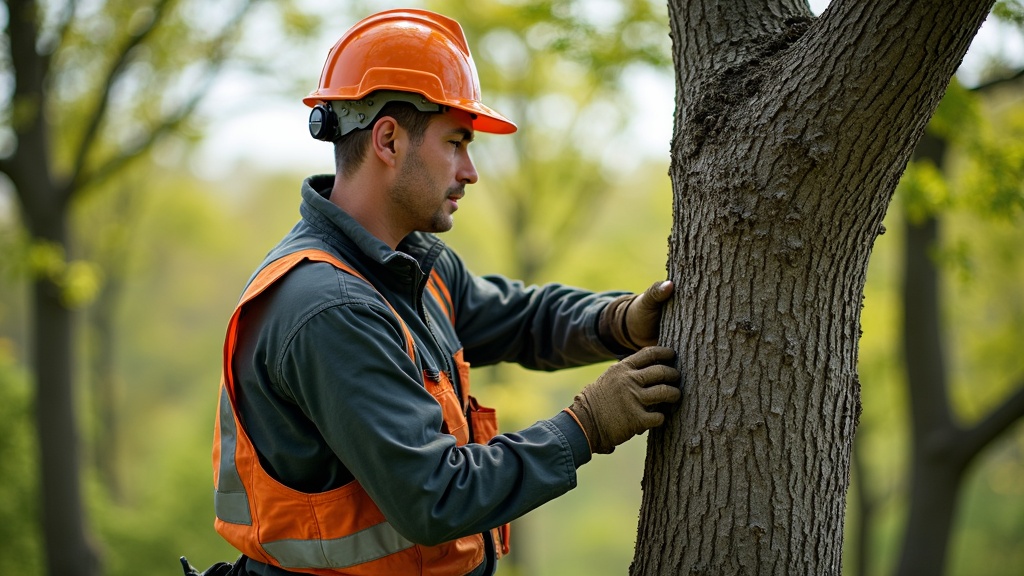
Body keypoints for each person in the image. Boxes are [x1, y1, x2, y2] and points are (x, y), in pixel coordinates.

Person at [197, 8, 682, 576]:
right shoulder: (329, 309)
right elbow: (436, 495)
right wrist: (585, 427)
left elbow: (521, 319)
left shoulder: (409, 267)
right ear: (388, 140)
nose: (470, 170)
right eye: (456, 142)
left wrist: (617, 321)